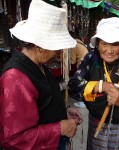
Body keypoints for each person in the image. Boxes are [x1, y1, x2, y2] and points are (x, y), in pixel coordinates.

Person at [0, 0, 82, 149]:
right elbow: (14, 138)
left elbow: (43, 104)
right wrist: (60, 128)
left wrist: (62, 113)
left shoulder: (39, 66)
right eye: (57, 48)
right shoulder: (15, 78)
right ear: (39, 46)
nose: (59, 54)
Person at [68, 17, 119, 150]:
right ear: (98, 43)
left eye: (115, 44)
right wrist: (100, 86)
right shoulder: (91, 59)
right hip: (97, 125)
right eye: (104, 44)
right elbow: (73, 85)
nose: (109, 50)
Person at [69, 38, 88, 108]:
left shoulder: (73, 45)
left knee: (77, 82)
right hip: (86, 63)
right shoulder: (79, 43)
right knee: (84, 82)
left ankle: (81, 101)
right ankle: (83, 100)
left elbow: (72, 61)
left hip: (82, 65)